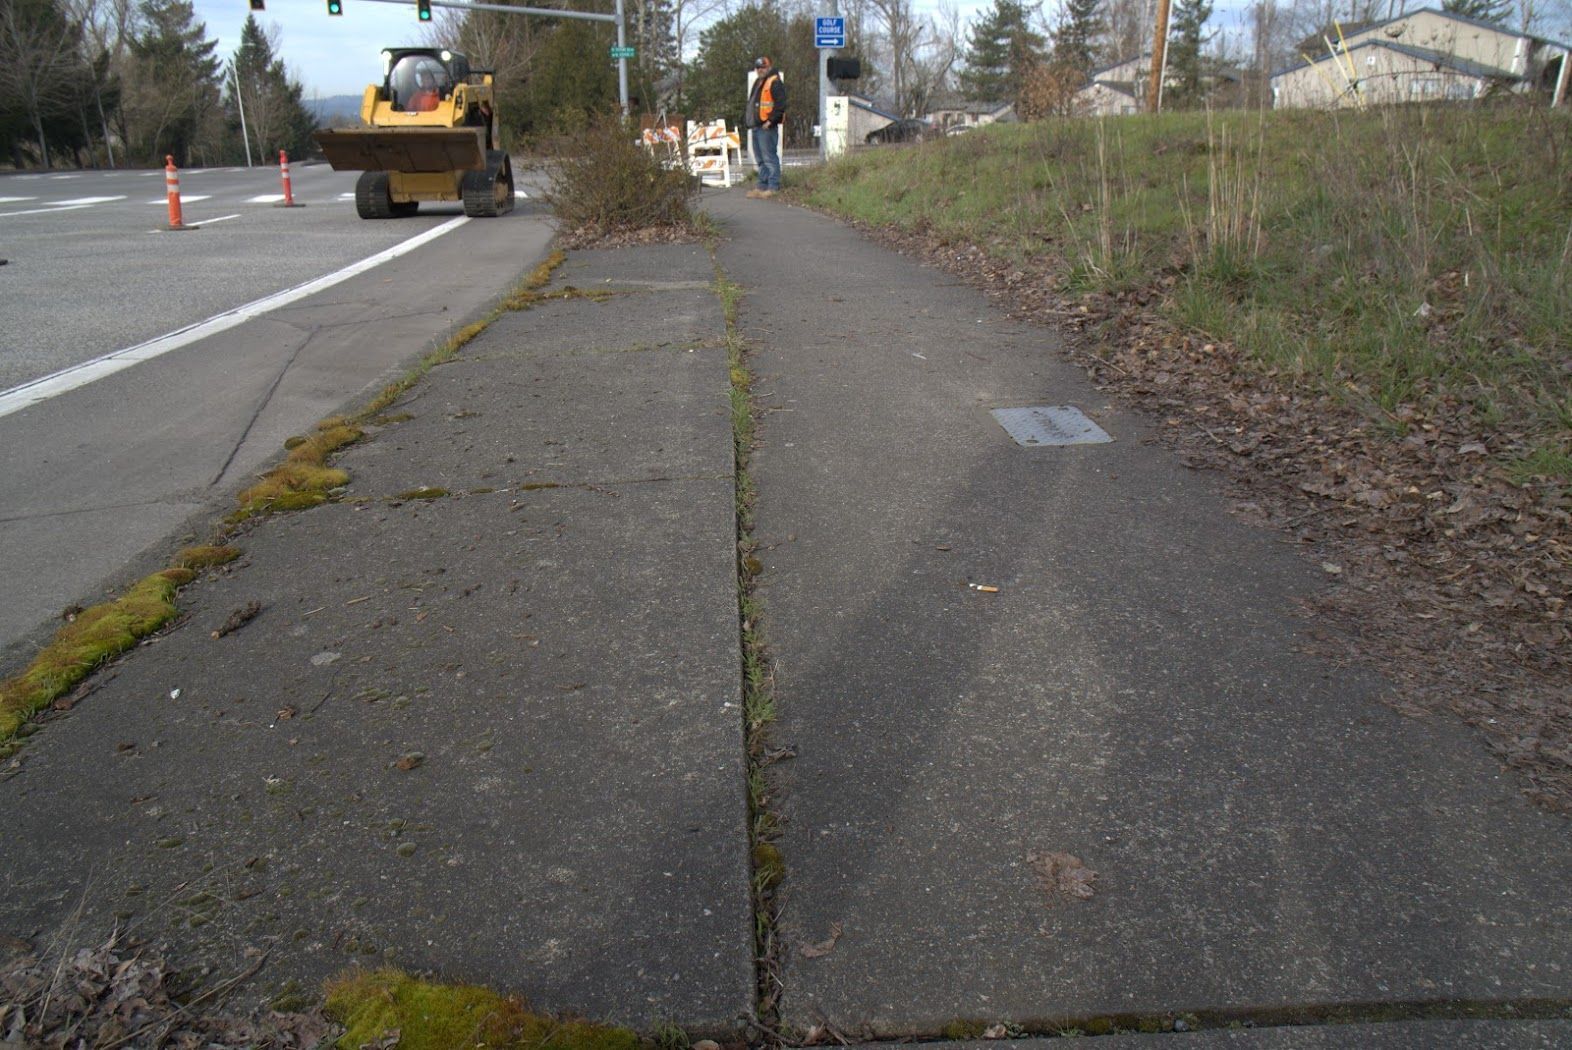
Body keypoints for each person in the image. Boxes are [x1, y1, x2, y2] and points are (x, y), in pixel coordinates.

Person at [744, 56, 785, 199]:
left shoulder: (774, 82)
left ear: (769, 67)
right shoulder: (759, 82)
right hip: (757, 125)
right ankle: (762, 186)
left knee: (769, 158)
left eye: (763, 67)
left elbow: (781, 105)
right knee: (760, 159)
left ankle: (773, 186)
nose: (760, 70)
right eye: (758, 68)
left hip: (767, 126)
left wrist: (770, 121)